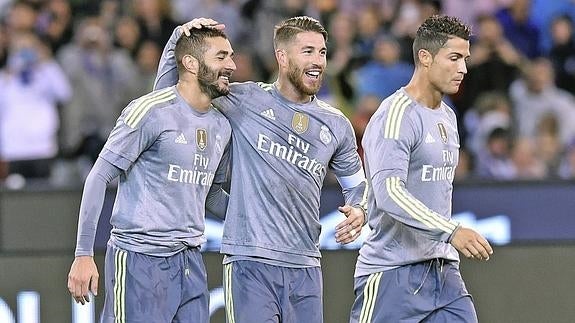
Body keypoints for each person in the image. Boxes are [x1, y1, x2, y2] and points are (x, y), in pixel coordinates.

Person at [155, 16, 368, 323]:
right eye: (307, 51)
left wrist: (360, 209)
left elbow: (358, 185)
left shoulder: (337, 125)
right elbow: (167, 104)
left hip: (306, 265)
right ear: (282, 57)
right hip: (249, 264)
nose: (318, 61)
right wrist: (176, 41)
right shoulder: (244, 99)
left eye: (322, 52)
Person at [66, 27, 236, 323]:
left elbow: (208, 193)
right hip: (138, 260)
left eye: (231, 56)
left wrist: (258, 217)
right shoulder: (150, 111)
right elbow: (98, 176)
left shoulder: (222, 126)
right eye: (221, 56)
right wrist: (83, 253)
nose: (231, 65)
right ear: (191, 63)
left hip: (190, 262)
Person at [350, 15, 494, 323]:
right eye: (454, 58)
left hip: (444, 273)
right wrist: (450, 230)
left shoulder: (447, 116)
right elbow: (389, 191)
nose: (463, 69)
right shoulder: (396, 115)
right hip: (393, 273)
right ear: (425, 58)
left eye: (465, 59)